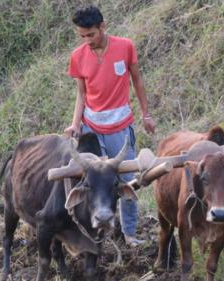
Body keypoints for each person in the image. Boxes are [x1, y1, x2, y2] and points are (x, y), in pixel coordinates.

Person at [64, 5, 156, 247]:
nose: (87, 40)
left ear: (102, 26)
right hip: (91, 128)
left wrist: (146, 115)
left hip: (120, 128)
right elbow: (81, 95)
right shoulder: (78, 56)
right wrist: (75, 124)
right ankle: (92, 230)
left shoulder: (125, 47)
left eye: (91, 34)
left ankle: (129, 233)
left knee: (127, 180)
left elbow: (137, 80)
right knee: (92, 182)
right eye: (82, 36)